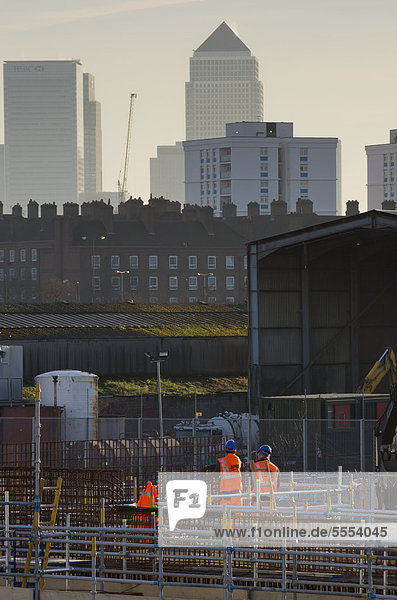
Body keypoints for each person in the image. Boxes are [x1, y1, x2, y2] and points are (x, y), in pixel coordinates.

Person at [206, 439, 243, 506]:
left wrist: (209, 468)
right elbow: (230, 465)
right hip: (237, 493)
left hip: (226, 494)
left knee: (225, 514)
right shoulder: (238, 460)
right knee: (237, 514)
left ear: (225, 450)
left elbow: (216, 474)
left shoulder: (221, 461)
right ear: (235, 450)